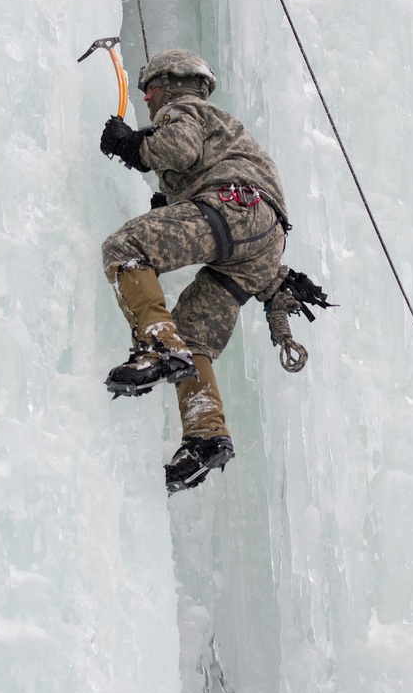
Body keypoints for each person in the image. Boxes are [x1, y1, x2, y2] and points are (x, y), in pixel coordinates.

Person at [99, 49, 291, 493]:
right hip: (263, 240)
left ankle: (156, 344)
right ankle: (206, 431)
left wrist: (132, 144)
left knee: (125, 246)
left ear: (171, 85)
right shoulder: (228, 134)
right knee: (194, 332)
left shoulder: (185, 110)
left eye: (151, 90)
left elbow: (178, 149)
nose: (147, 99)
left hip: (233, 208)